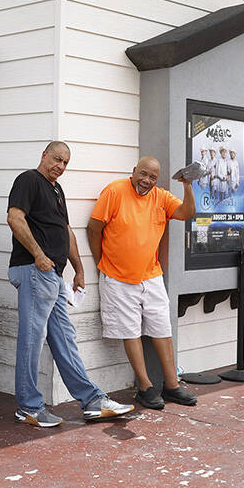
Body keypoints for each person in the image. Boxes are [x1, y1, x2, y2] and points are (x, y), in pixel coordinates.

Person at [7, 141, 133, 428]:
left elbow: (66, 232)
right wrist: (38, 255)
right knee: (32, 340)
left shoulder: (57, 190)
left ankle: (91, 400)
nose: (60, 166)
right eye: (56, 159)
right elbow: (14, 218)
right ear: (44, 155)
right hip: (33, 270)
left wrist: (78, 269)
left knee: (65, 338)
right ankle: (28, 407)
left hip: (53, 276)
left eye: (65, 163)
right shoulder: (28, 180)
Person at [86, 157, 197, 410]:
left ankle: (172, 385)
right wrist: (101, 262)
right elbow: (94, 228)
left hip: (151, 275)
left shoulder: (161, 196)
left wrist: (187, 185)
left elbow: (187, 213)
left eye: (152, 177)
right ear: (133, 171)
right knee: (130, 332)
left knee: (162, 329)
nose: (146, 181)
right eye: (143, 174)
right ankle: (145, 387)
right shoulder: (114, 191)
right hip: (117, 277)